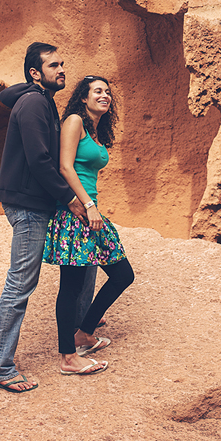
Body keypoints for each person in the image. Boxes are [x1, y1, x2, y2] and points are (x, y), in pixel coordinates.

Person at [0, 42, 87, 393]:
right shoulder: (32, 103)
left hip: (37, 201)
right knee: (20, 283)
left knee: (83, 256)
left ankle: (82, 327)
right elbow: (39, 159)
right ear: (35, 73)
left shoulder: (40, 100)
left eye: (63, 63)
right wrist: (69, 197)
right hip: (28, 204)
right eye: (54, 65)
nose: (62, 70)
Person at [43, 74, 135, 375]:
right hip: (74, 213)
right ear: (83, 97)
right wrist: (88, 205)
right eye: (97, 91)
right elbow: (64, 167)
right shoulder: (74, 122)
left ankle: (83, 333)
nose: (104, 96)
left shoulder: (95, 131)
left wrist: (92, 207)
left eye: (108, 92)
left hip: (89, 213)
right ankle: (68, 357)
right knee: (71, 286)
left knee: (123, 275)